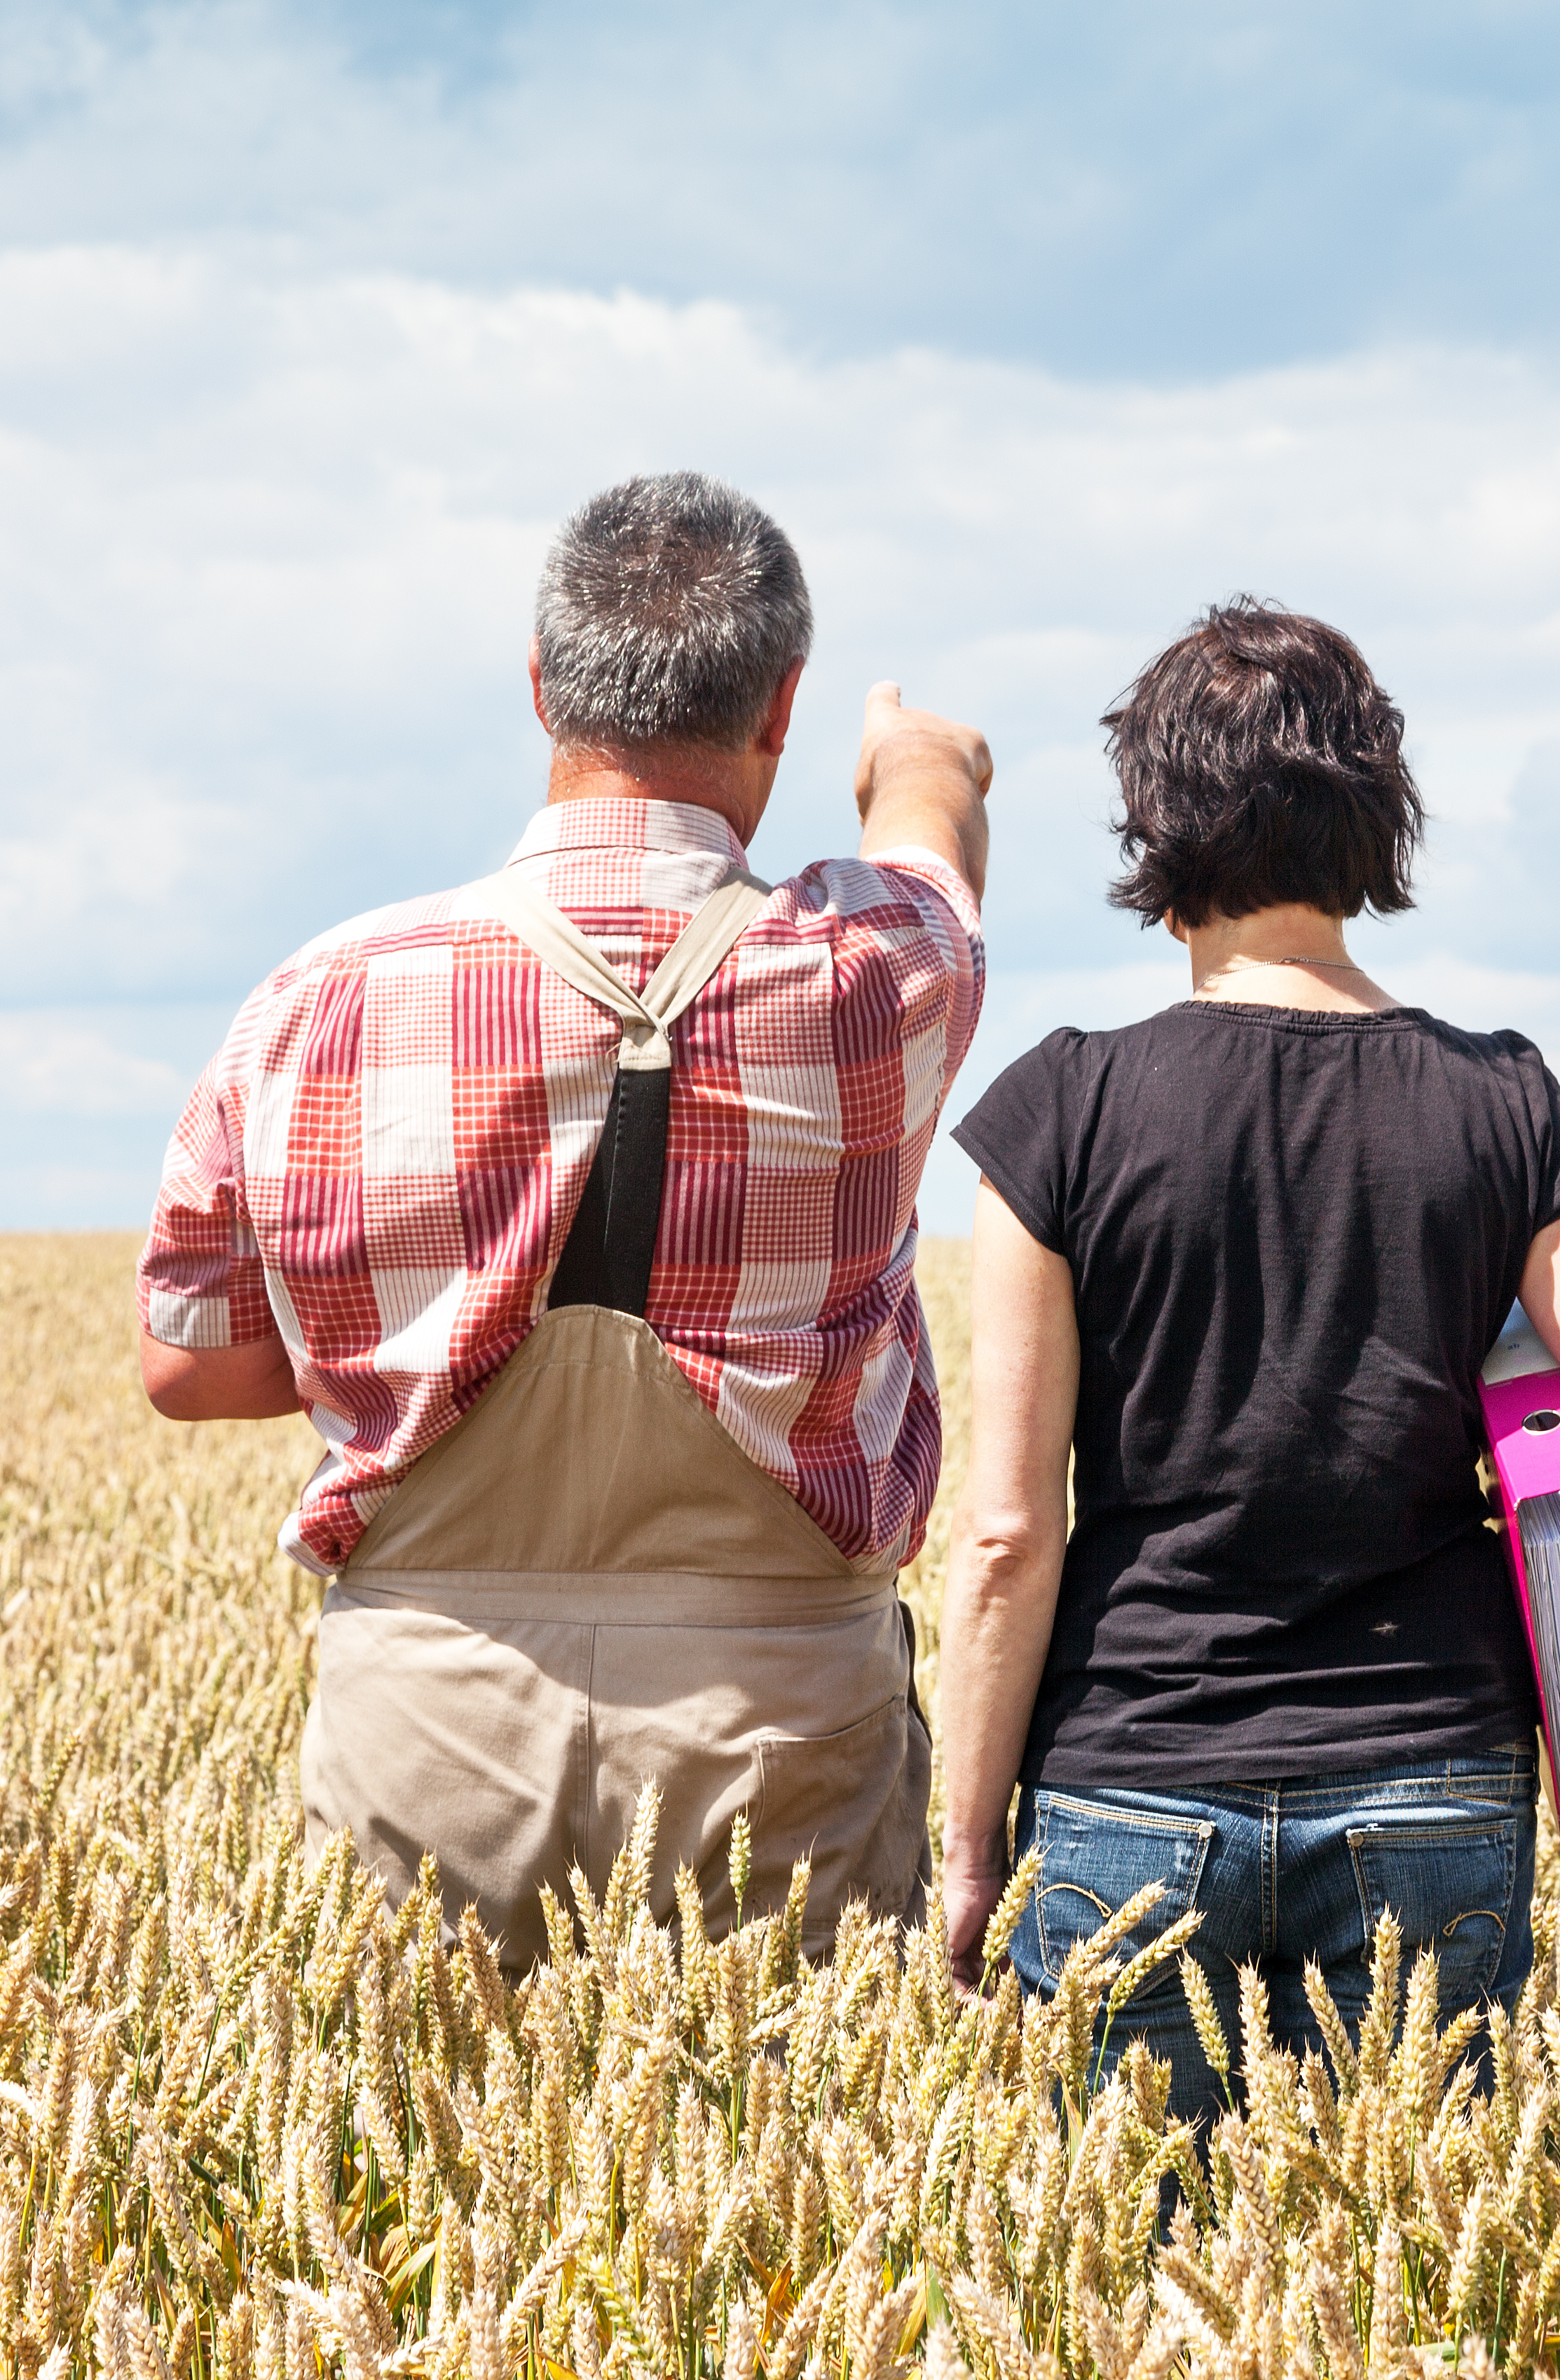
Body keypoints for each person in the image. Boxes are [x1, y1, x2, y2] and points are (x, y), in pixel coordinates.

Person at [133, 473, 996, 1969]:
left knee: (407, 2168)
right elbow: (936, 860)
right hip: (775, 1734)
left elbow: (186, 1364)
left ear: (541, 686)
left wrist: (418, 1340)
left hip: (429, 1726)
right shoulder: (879, 973)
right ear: (781, 710)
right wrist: (920, 762)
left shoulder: (315, 994)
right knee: (802, 2185)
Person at [930, 598, 1560, 2124]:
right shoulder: (1508, 1104)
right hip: (1434, 1773)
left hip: (1130, 1779)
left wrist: (966, 1854)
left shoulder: (1062, 1113)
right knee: (1407, 2285)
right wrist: (1501, 1603)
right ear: (1374, 824)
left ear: (1159, 836)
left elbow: (1009, 1532)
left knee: (1119, 2299)